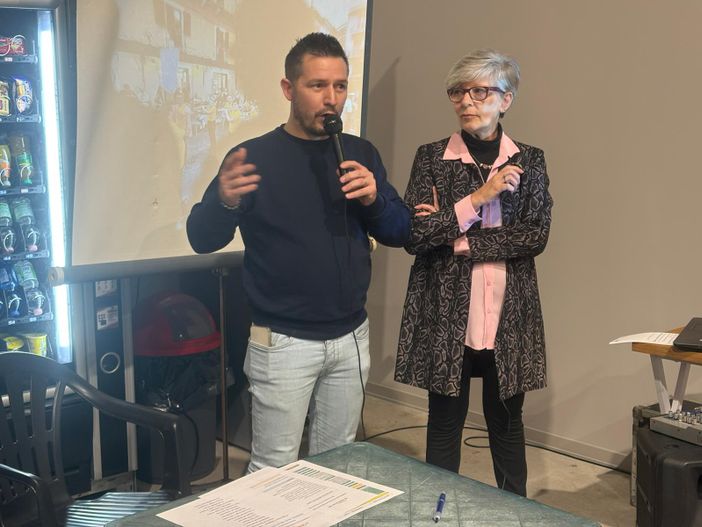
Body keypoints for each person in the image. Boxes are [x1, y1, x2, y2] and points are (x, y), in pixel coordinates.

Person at [187, 33, 410, 473]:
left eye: (340, 86)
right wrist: (224, 202)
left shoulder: (360, 153)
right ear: (289, 89)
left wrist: (374, 200)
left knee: (337, 466)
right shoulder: (254, 157)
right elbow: (202, 238)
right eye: (317, 85)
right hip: (284, 342)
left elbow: (400, 230)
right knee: (272, 471)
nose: (331, 99)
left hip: (351, 337)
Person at [394, 49, 553, 496]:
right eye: (458, 92)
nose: (466, 101)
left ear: (506, 99)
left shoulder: (531, 160)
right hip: (447, 316)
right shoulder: (431, 158)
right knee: (444, 422)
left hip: (508, 317)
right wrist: (478, 198)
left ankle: (515, 514)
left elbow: (535, 235)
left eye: (480, 91)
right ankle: (439, 513)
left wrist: (460, 238)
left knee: (507, 423)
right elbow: (415, 235)